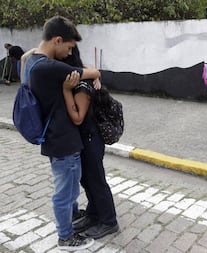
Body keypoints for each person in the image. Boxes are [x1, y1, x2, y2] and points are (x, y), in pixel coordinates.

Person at [25, 15, 101, 251]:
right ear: (57, 40)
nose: (70, 53)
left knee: (69, 187)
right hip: (61, 140)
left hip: (61, 139)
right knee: (63, 192)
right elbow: (92, 72)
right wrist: (95, 74)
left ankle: (73, 215)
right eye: (68, 47)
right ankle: (65, 237)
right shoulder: (50, 67)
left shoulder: (32, 61)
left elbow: (27, 56)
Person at [62, 45, 119, 239]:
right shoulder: (80, 73)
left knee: (96, 180)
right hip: (84, 138)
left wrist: (66, 91)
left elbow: (78, 118)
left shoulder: (80, 82)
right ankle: (94, 214)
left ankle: (109, 221)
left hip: (91, 138)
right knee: (87, 179)